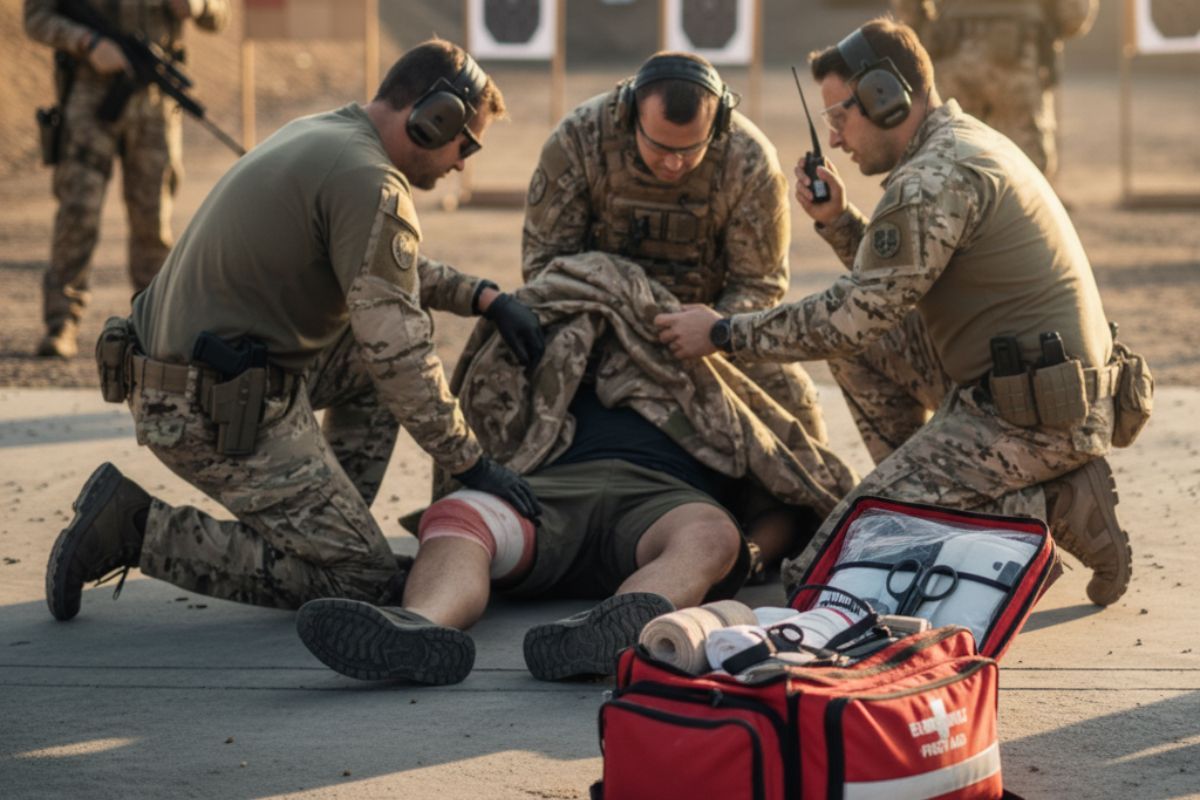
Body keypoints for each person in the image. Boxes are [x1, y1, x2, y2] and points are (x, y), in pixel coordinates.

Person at [45, 40, 548, 622]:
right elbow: (401, 353)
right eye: (469, 142)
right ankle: (134, 528)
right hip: (201, 405)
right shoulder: (372, 182)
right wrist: (473, 465)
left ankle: (327, 522)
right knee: (361, 579)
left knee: (370, 359)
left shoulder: (330, 135)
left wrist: (481, 296)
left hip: (194, 375)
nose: (463, 162)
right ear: (437, 120)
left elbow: (381, 269)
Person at [656, 18, 1147, 608]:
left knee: (829, 567)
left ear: (886, 99)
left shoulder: (933, 176)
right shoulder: (961, 141)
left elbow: (851, 315)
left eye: (840, 116)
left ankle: (1053, 504)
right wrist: (839, 222)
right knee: (865, 372)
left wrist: (722, 332)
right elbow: (890, 289)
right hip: (1025, 389)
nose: (834, 138)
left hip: (1037, 418)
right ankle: (937, 501)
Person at [522, 50, 831, 572]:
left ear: (719, 126)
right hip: (598, 326)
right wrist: (622, 324)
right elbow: (545, 268)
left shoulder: (748, 159)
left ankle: (782, 532)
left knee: (792, 401)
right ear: (628, 116)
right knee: (504, 369)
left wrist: (717, 330)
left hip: (707, 336)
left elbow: (760, 284)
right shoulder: (579, 139)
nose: (673, 164)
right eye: (660, 147)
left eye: (690, 152)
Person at [295, 376, 746, 686]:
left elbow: (785, 470)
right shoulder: (570, 341)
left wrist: (755, 550)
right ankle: (420, 627)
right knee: (462, 513)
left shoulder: (717, 361)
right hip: (548, 488)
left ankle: (609, 631)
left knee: (713, 534)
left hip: (663, 497)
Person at [24, 0, 232, 359]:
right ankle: (61, 322)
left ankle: (156, 325)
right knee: (78, 212)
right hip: (89, 93)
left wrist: (198, 6)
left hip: (154, 100)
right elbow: (37, 17)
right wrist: (87, 43)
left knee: (154, 221)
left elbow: (220, 17)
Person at [890, 0, 1098, 179]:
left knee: (949, 160)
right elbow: (1074, 14)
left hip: (952, 58)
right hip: (1017, 63)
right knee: (1025, 170)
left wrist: (922, 28)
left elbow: (908, 9)